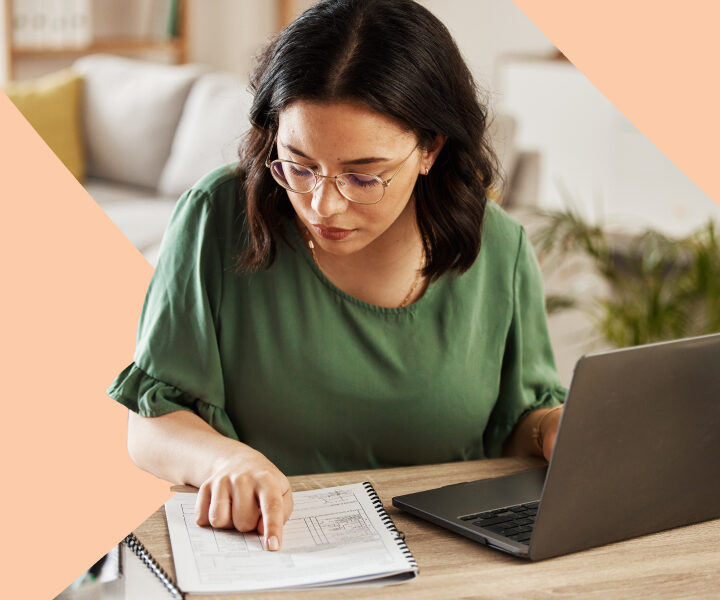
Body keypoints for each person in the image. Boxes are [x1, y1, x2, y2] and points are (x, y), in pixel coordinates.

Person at [107, 0, 566, 553]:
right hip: (270, 552)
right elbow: (151, 422)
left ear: (430, 149)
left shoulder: (499, 247)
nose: (323, 204)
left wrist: (551, 430)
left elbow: (517, 427)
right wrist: (224, 459)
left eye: (363, 176)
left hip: (456, 560)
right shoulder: (216, 216)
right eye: (299, 165)